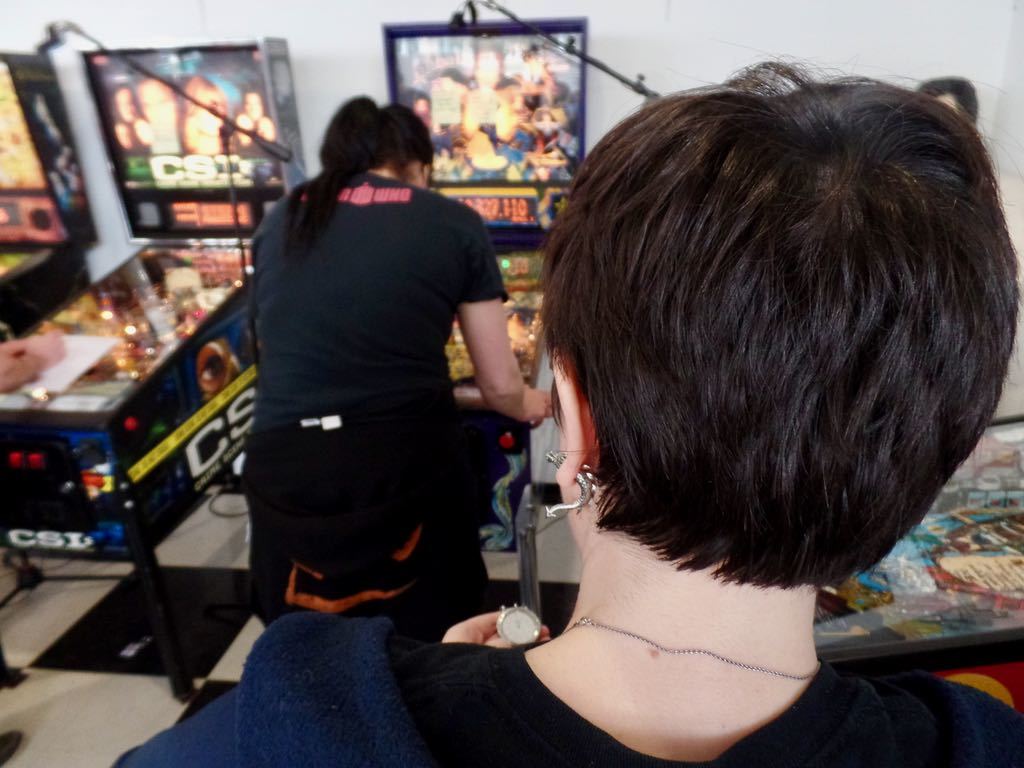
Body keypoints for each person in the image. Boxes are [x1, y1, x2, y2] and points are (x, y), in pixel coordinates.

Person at [116, 63, 1024, 767]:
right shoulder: (984, 740)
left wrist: (425, 692)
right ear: (941, 451)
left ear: (577, 418)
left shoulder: (272, 725)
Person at [242, 96, 550, 641]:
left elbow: (276, 346)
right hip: (400, 461)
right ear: (417, 165)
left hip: (283, 464)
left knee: (309, 638)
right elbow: (501, 386)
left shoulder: (283, 217)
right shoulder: (451, 221)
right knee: (430, 626)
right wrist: (537, 403)